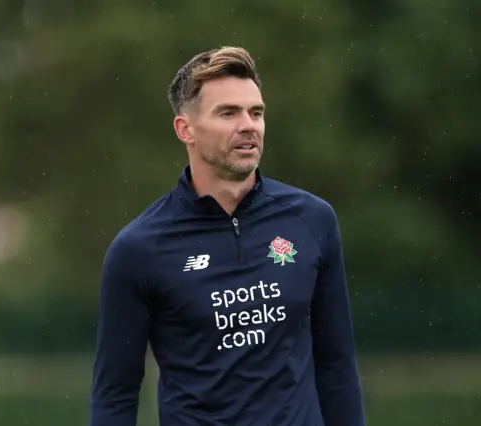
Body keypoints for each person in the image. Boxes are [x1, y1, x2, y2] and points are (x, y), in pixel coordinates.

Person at [89, 46, 366, 426]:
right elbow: (115, 393)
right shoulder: (139, 249)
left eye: (256, 112)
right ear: (185, 129)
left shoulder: (313, 221)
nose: (248, 125)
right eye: (228, 113)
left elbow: (336, 365)